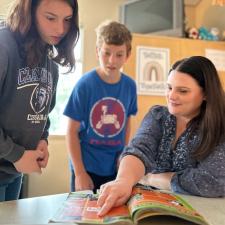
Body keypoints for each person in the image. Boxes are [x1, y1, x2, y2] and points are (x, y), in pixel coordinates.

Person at [97, 56, 225, 216]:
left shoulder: (220, 127)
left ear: (206, 94)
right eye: (169, 87)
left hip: (200, 214)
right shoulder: (158, 116)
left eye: (182, 91)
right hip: (147, 208)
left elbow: (214, 182)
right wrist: (123, 180)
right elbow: (139, 150)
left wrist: (152, 179)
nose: (172, 96)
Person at [0, 0, 79, 201]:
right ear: (30, 11)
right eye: (50, 18)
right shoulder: (3, 45)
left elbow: (43, 111)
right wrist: (16, 154)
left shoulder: (49, 60)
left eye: (67, 20)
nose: (60, 29)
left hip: (13, 171)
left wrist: (42, 138)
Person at [64, 20, 137, 193]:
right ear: (98, 51)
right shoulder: (85, 85)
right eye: (106, 53)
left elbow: (126, 124)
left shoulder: (130, 86)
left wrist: (124, 155)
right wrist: (80, 173)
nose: (112, 61)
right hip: (86, 166)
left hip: (115, 168)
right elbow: (71, 131)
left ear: (128, 55)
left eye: (119, 55)